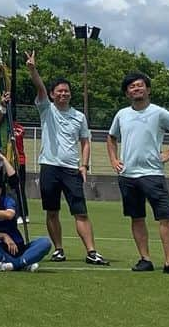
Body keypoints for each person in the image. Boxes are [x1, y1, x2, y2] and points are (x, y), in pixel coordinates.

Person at [25, 50, 109, 265]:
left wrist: (84, 165)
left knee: (80, 212)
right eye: (59, 91)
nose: (63, 94)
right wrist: (33, 70)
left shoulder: (79, 116)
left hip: (71, 169)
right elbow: (40, 88)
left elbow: (85, 141)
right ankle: (59, 249)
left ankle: (91, 251)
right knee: (52, 211)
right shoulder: (47, 109)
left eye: (67, 91)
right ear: (52, 95)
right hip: (49, 166)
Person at [107, 71, 169, 275]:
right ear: (127, 93)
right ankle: (145, 259)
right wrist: (113, 160)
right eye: (132, 87)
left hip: (152, 173)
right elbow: (111, 137)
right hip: (128, 175)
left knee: (166, 216)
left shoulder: (159, 113)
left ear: (148, 89)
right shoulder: (122, 114)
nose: (136, 88)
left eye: (140, 85)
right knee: (136, 217)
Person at [0, 175, 51, 272]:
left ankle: (12, 265)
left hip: (17, 248)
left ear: (0, 190)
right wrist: (3, 236)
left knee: (45, 242)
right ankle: (23, 263)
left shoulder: (7, 200)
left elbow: (9, 214)